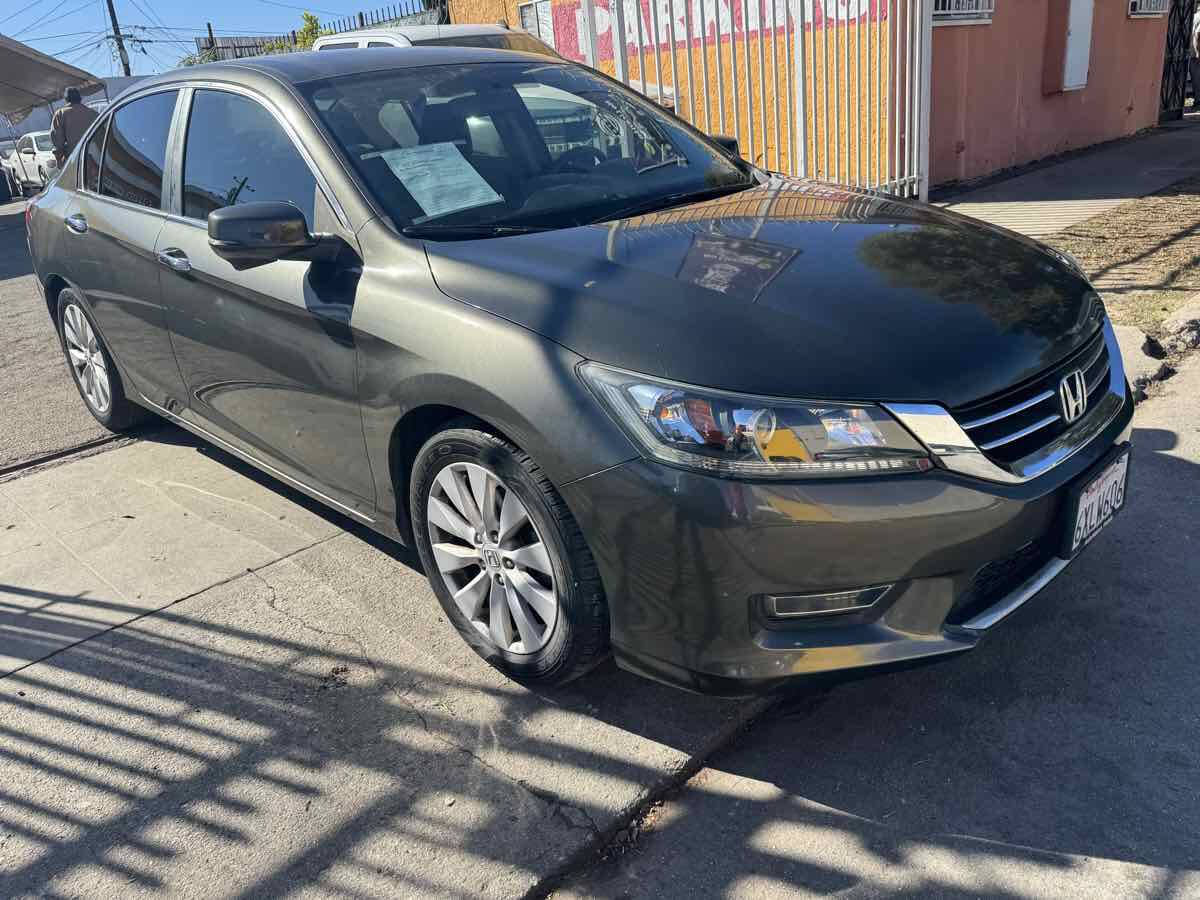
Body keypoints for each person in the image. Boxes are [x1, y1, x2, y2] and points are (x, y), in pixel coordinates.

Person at [50, 86, 98, 167]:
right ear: (80, 98)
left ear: (66, 99)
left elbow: (57, 140)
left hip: (74, 159)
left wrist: (59, 159)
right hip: (95, 158)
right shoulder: (93, 113)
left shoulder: (60, 114)